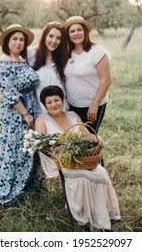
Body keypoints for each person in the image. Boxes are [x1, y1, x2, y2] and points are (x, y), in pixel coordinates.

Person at [35, 85, 121, 231]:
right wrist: (61, 148)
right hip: (58, 161)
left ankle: (101, 213)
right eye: (49, 102)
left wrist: (96, 137)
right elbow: (40, 146)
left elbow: (87, 135)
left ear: (62, 100)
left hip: (80, 159)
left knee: (100, 172)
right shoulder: (42, 120)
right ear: (45, 105)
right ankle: (84, 215)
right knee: (82, 178)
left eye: (57, 100)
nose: (54, 104)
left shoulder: (73, 115)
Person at [0, 23, 39, 205]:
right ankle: (7, 190)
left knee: (26, 148)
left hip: (31, 108)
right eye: (15, 39)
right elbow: (9, 93)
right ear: (7, 41)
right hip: (15, 113)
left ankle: (24, 184)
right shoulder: (2, 63)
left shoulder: (23, 60)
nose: (19, 43)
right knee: (11, 150)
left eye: (22, 40)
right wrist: (26, 115)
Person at [63, 16, 112, 133]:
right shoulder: (67, 53)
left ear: (85, 31)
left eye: (79, 30)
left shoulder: (97, 51)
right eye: (72, 31)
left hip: (91, 106)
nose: (76, 33)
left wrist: (95, 104)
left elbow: (107, 79)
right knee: (75, 140)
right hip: (72, 106)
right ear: (68, 35)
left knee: (89, 141)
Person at [28, 21, 69, 115]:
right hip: (40, 113)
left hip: (62, 112)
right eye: (51, 36)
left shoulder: (63, 57)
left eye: (58, 38)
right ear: (44, 36)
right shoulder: (30, 54)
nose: (54, 41)